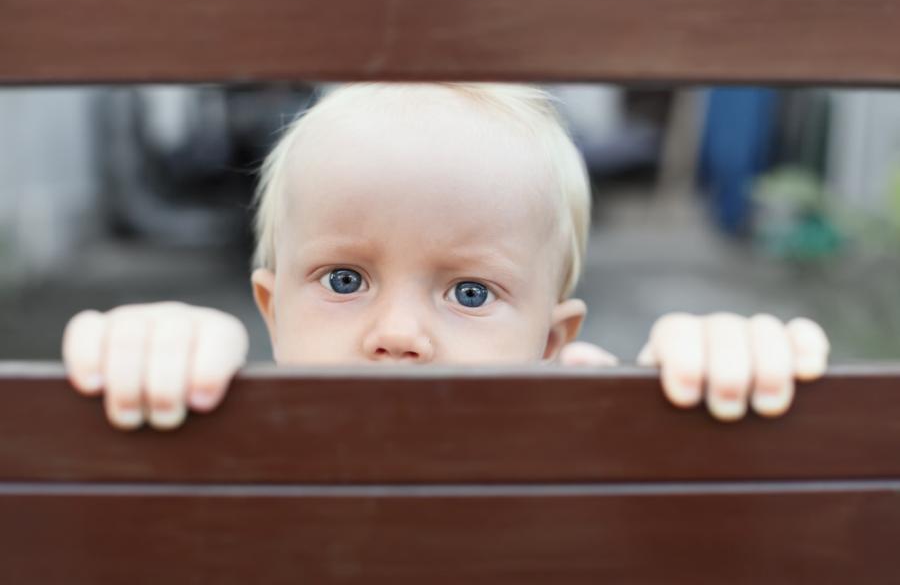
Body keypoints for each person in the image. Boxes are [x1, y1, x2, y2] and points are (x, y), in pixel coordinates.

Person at [61, 83, 830, 431]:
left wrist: (704, 377)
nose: (398, 335)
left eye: (469, 293)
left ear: (551, 342)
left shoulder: (579, 437)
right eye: (344, 279)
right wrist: (170, 355)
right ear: (272, 309)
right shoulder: (242, 439)